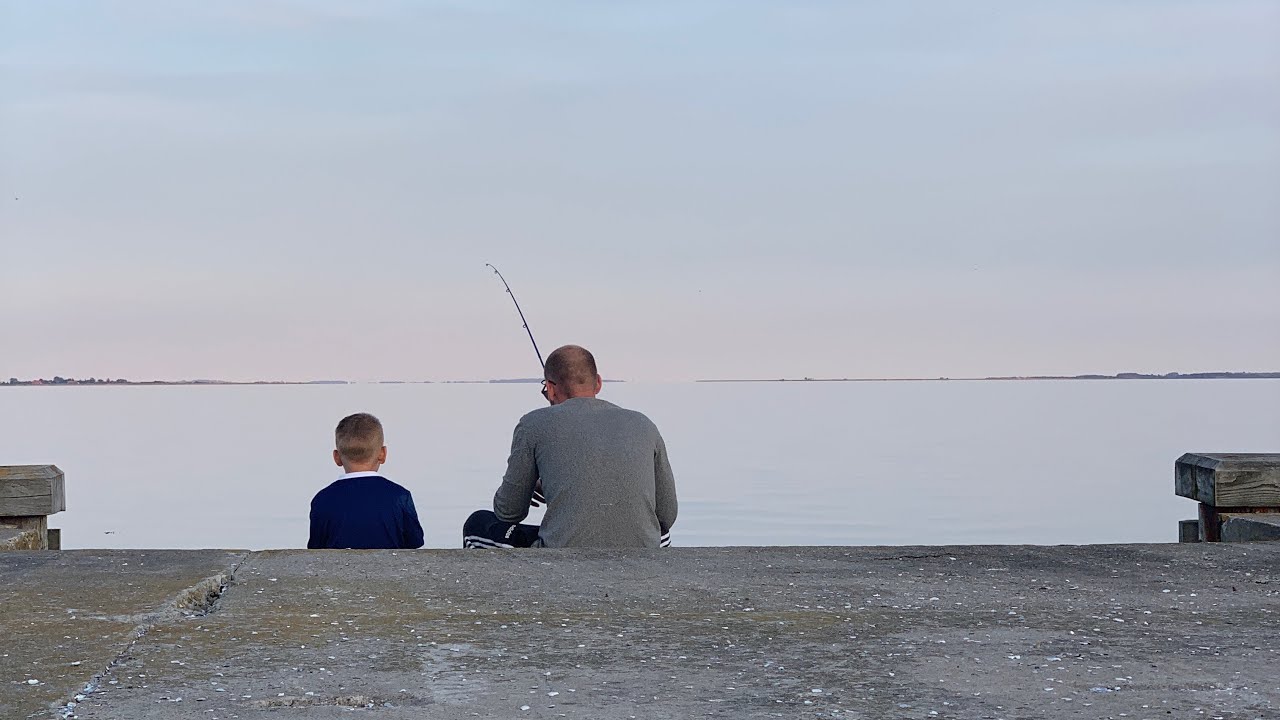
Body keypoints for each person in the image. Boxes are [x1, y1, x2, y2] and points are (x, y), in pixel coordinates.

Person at [463, 344, 677, 549]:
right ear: (599, 383)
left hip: (562, 555)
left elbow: (508, 512)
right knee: (661, 533)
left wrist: (528, 488)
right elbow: (667, 515)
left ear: (550, 389)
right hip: (641, 552)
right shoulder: (643, 424)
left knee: (477, 524)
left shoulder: (532, 424)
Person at [308, 413, 424, 549]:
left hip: (340, 570)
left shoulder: (322, 500)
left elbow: (316, 550)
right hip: (389, 570)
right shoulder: (400, 496)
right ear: (382, 454)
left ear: (337, 457)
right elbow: (415, 543)